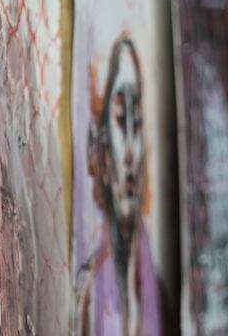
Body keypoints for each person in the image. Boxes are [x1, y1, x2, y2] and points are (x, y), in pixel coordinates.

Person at [78, 36, 163, 336]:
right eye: (120, 118)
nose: (129, 150)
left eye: (137, 123)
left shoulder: (158, 286)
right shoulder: (88, 289)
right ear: (100, 142)